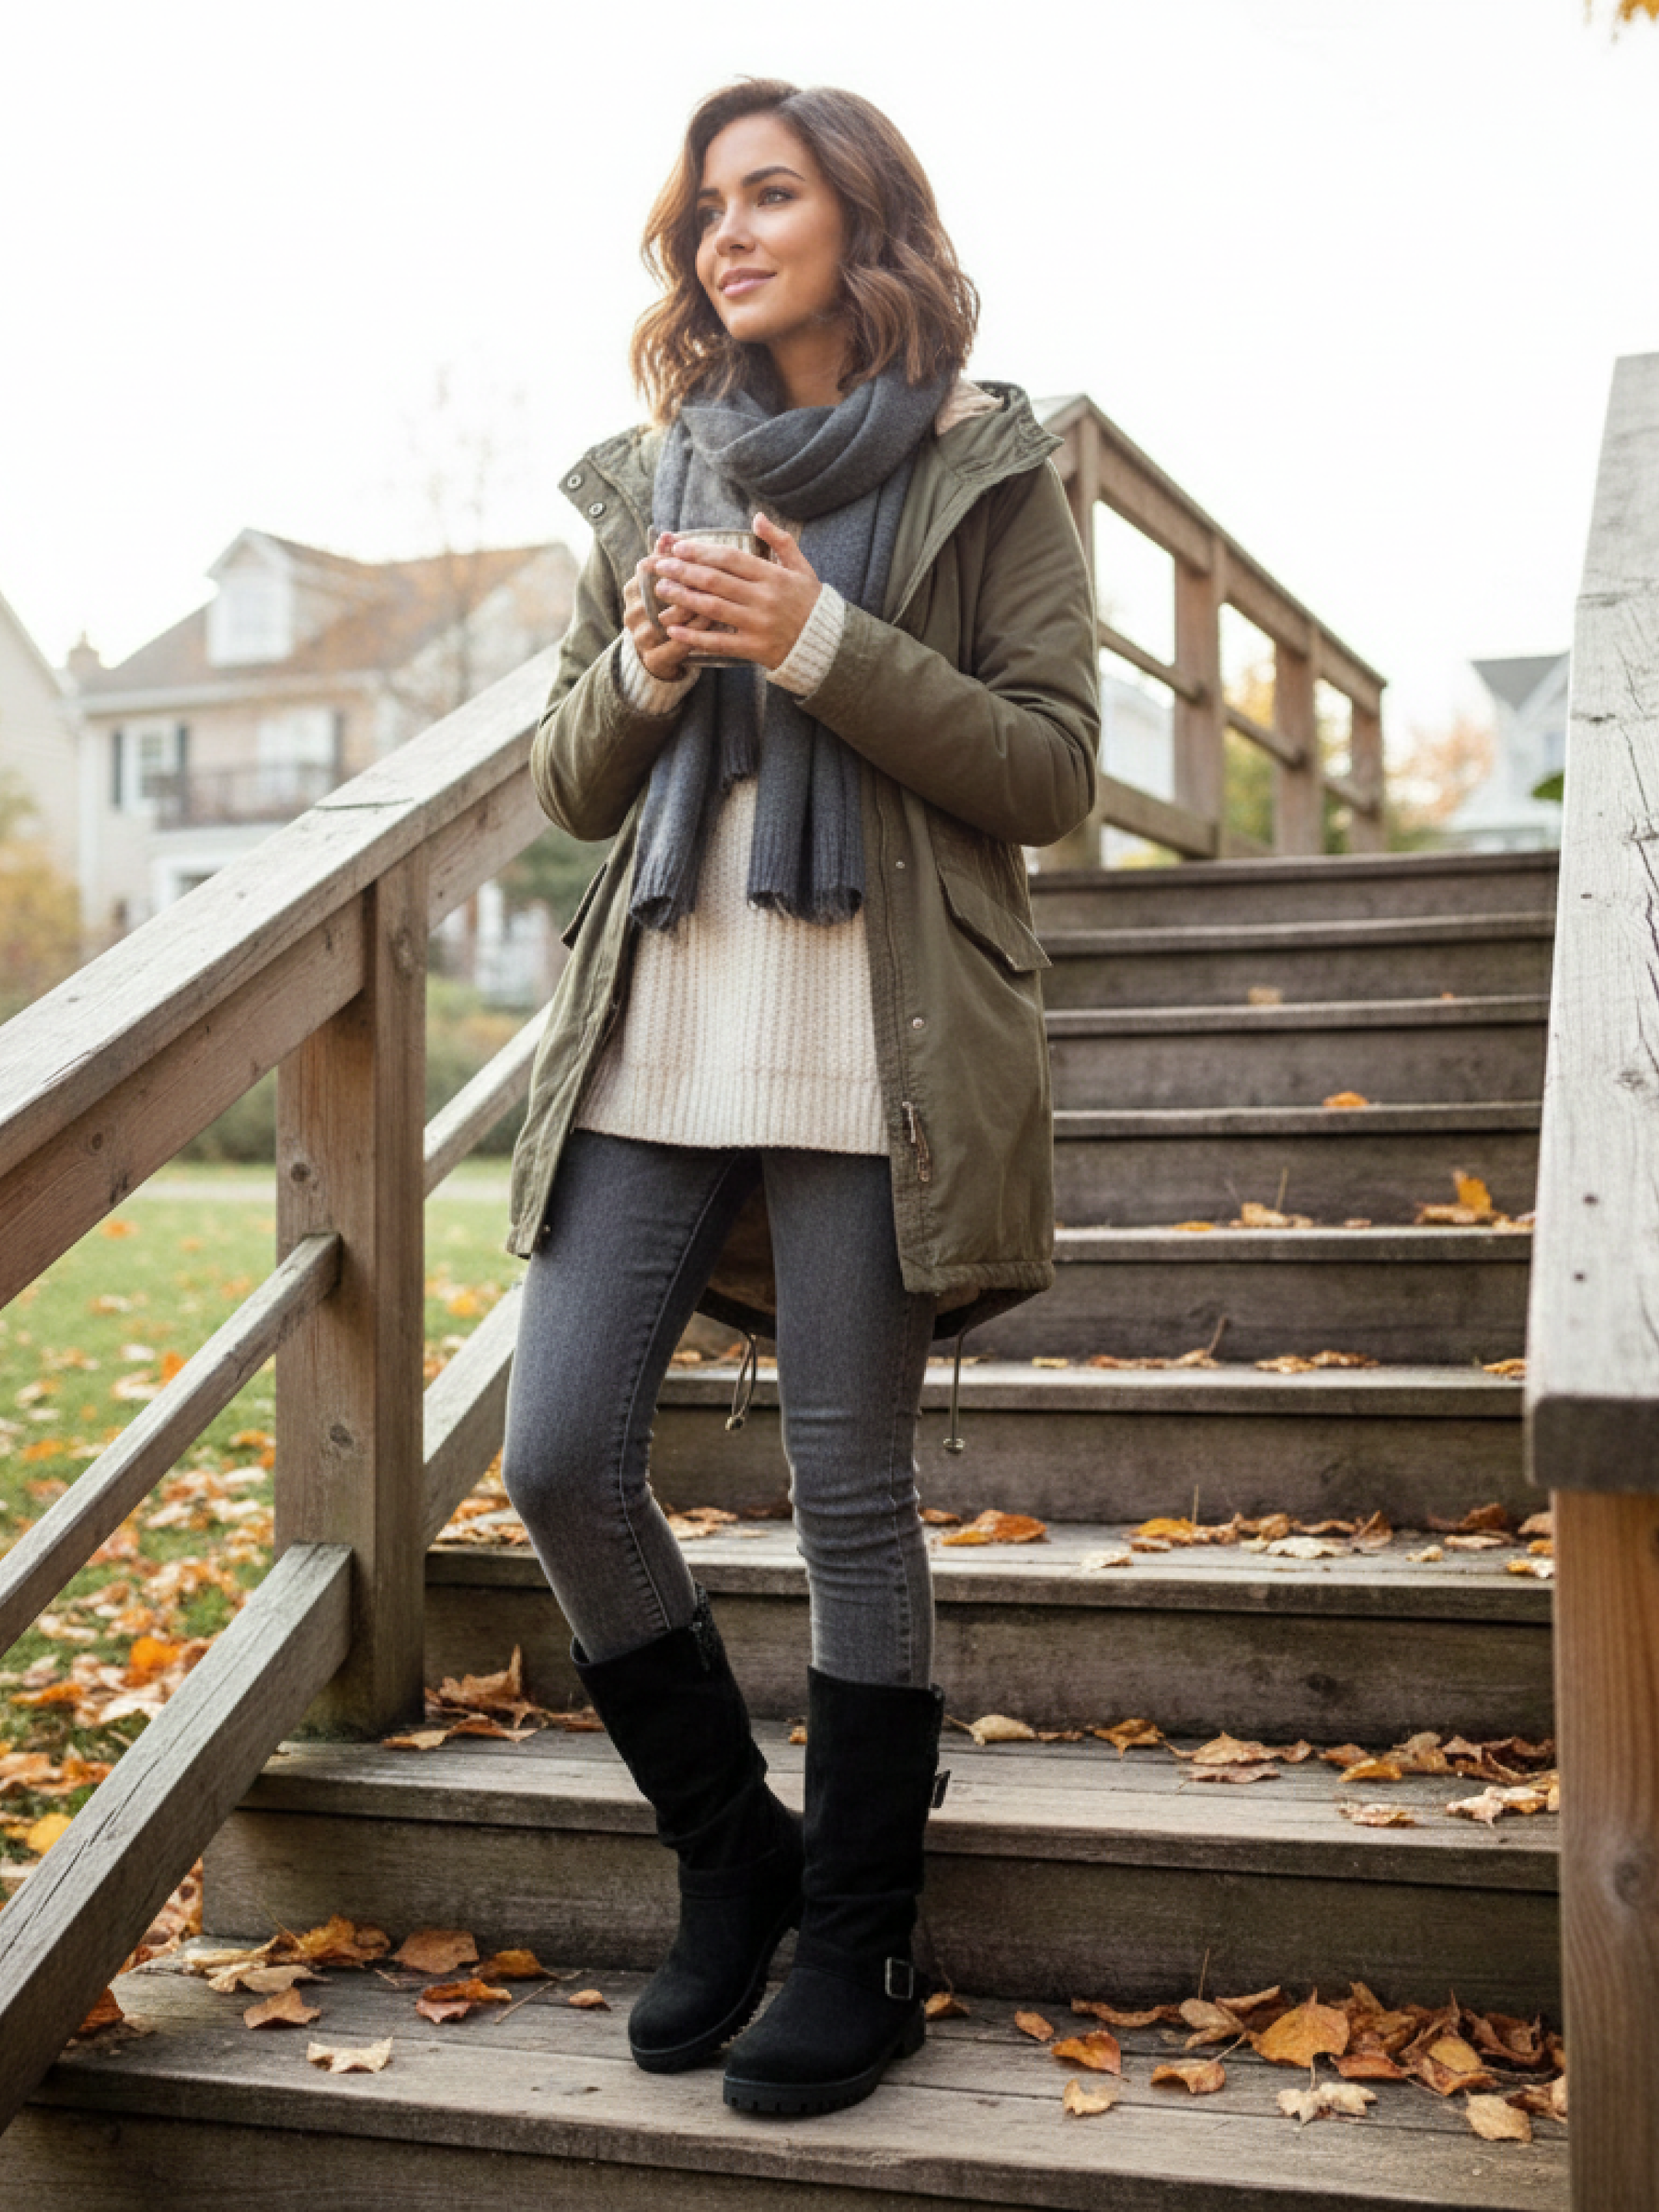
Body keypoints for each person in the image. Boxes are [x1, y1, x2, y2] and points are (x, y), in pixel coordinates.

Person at [502, 77, 1099, 2118]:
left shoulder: (987, 466)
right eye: (705, 208)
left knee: (852, 1500)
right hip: (659, 1024)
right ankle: (730, 1853)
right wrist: (661, 669)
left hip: (878, 1038)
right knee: (560, 1453)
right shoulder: (653, 475)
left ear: (868, 225)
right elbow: (567, 790)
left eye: (769, 197)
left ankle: (857, 1934)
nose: (723, 237)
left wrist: (820, 638)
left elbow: (1048, 771)